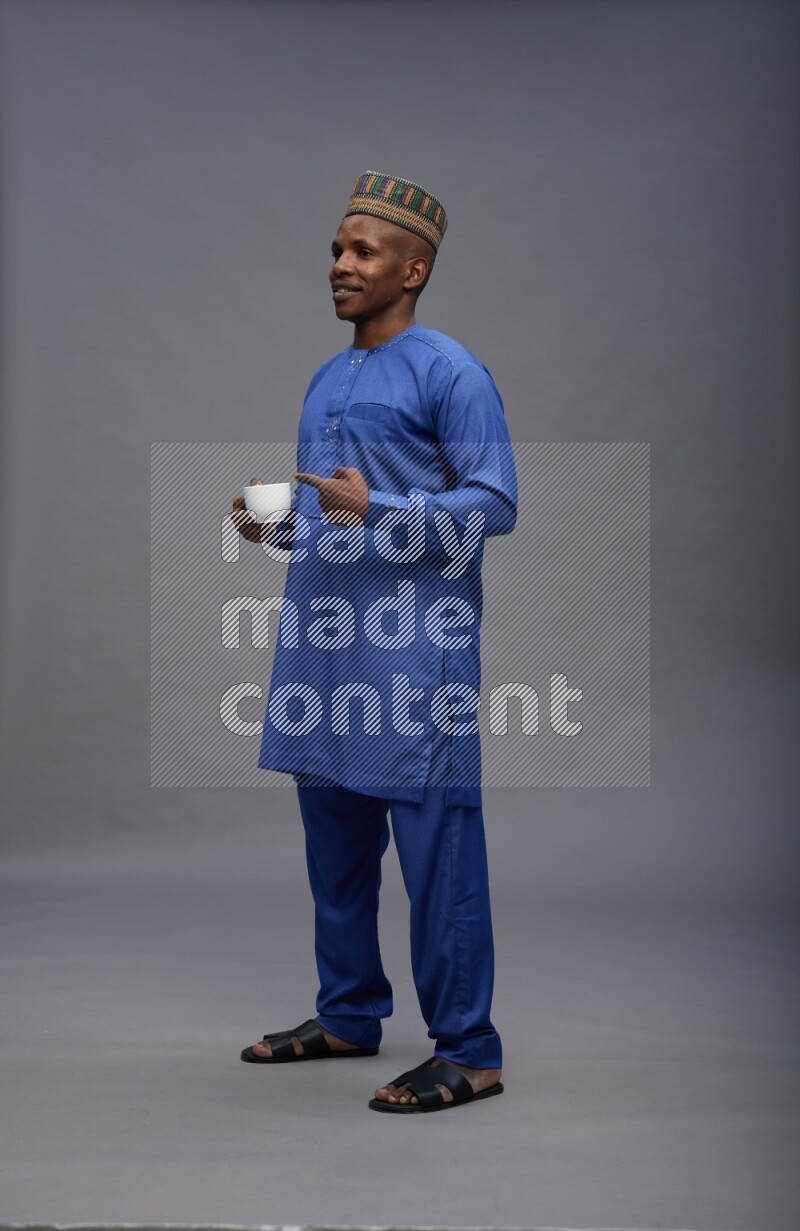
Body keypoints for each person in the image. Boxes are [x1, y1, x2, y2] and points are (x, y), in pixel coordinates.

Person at [230, 171, 517, 1113]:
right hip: (326, 649)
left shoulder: (451, 370)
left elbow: (493, 506)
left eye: (361, 252)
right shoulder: (328, 376)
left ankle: (469, 1049)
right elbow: (334, 519)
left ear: (414, 268)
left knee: (437, 852)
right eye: (335, 250)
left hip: (413, 658)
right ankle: (350, 1012)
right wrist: (276, 528)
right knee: (336, 847)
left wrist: (381, 503)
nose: (339, 267)